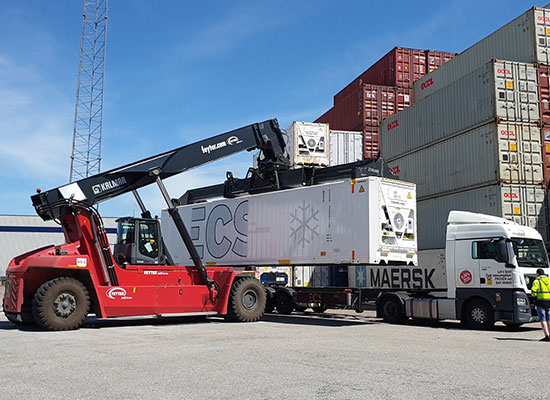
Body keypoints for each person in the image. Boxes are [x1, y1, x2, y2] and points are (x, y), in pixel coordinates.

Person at [531, 268, 550, 341]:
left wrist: (534, 297)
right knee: (549, 318)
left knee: (543, 318)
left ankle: (546, 335)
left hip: (540, 302)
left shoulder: (537, 281)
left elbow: (533, 291)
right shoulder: (549, 280)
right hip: (549, 301)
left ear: (538, 273)